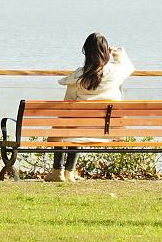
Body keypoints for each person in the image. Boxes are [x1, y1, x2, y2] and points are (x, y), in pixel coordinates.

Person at [47, 32, 135, 183]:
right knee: (73, 126)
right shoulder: (115, 72)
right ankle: (70, 171)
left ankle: (58, 171)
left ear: (86, 52)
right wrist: (117, 55)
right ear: (105, 51)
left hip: (80, 127)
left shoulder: (79, 75)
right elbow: (128, 67)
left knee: (65, 124)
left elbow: (67, 103)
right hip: (108, 131)